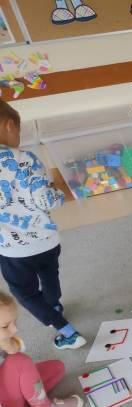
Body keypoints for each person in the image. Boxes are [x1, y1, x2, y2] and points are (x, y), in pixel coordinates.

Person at [0, 101, 85, 350]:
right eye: (19, 131)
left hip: (14, 251)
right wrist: (58, 193)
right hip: (46, 241)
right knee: (49, 275)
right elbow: (46, 199)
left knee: (26, 293)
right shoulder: (27, 158)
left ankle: (67, 331)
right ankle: (54, 304)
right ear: (9, 125)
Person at [0, 292, 82, 407]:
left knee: (56, 368)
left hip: (6, 390)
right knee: (21, 362)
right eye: (5, 326)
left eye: (14, 322)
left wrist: (10, 346)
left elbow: (13, 355)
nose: (14, 330)